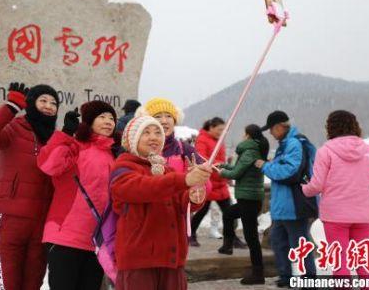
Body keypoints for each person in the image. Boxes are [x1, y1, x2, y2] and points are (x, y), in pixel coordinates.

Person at [0, 82, 59, 290]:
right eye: (43, 101)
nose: (49, 106)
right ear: (31, 104)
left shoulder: (56, 139)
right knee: (7, 285)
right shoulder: (14, 129)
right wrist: (11, 107)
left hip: (41, 224)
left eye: (54, 103)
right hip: (10, 219)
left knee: (32, 285)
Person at [110, 115, 212, 290]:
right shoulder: (122, 168)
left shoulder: (168, 170)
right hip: (139, 262)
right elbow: (144, 188)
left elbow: (183, 203)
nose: (153, 137)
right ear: (132, 140)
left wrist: (195, 192)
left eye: (158, 133)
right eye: (146, 132)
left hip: (171, 260)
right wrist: (184, 179)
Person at [302, 110, 369, 287]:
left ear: (330, 127)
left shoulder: (325, 151)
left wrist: (304, 189)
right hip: (362, 215)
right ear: (355, 126)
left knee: (340, 263)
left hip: (335, 216)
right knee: (362, 262)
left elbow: (316, 186)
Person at [37, 100, 121, 290]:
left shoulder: (114, 154)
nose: (108, 121)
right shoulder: (76, 146)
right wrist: (65, 134)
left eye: (111, 118)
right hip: (66, 236)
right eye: (102, 117)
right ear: (89, 121)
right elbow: (49, 165)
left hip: (98, 240)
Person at [254, 110, 317, 287]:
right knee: (278, 241)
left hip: (295, 205)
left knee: (300, 243)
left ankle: (309, 278)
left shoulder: (294, 144)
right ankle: (286, 277)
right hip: (282, 206)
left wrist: (265, 166)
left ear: (280, 126)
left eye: (272, 130)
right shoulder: (286, 144)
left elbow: (290, 173)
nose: (271, 134)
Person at [218, 124, 269, 285]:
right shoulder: (253, 151)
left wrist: (223, 173)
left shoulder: (250, 151)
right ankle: (227, 246)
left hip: (249, 199)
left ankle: (258, 274)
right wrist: (225, 166)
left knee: (251, 237)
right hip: (249, 199)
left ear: (248, 135)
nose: (242, 136)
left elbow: (236, 173)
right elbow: (238, 168)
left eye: (243, 133)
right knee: (228, 214)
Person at [191, 117, 246, 248]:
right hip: (208, 182)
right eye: (219, 129)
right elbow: (202, 159)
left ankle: (232, 238)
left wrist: (226, 172)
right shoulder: (202, 140)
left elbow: (221, 159)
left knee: (229, 211)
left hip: (220, 182)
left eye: (223, 130)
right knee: (201, 211)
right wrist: (220, 166)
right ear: (211, 127)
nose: (221, 132)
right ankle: (190, 235)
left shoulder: (218, 140)